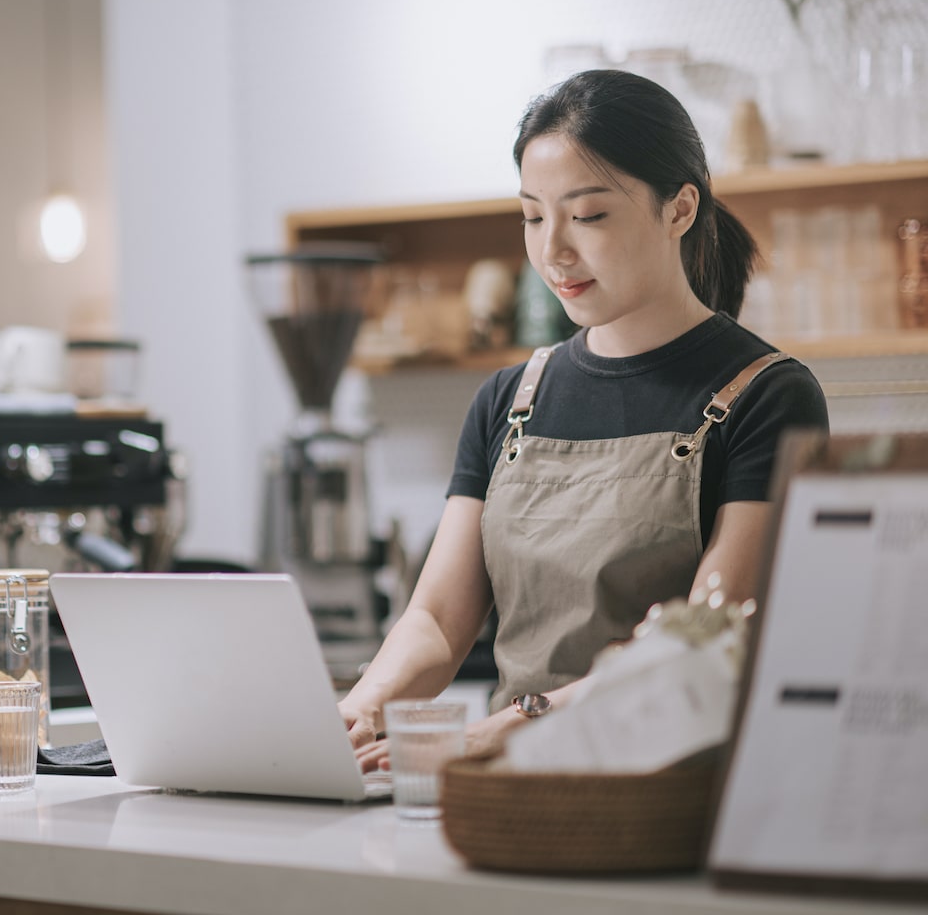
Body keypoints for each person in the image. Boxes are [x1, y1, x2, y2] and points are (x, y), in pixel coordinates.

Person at [339, 68, 829, 768]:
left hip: (669, 791)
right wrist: (357, 712)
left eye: (589, 215)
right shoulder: (508, 400)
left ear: (679, 210)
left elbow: (708, 642)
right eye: (534, 217)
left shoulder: (768, 396)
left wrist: (507, 726)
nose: (554, 251)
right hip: (507, 794)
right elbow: (438, 622)